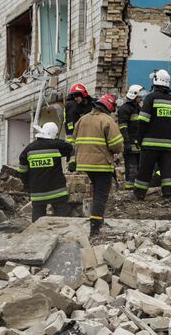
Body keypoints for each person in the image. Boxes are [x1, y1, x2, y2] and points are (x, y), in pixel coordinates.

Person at [72, 94, 123, 236]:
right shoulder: (107, 120)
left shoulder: (82, 119)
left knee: (96, 191)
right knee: (101, 194)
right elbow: (116, 145)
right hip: (101, 164)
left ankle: (96, 220)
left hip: (84, 163)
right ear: (108, 108)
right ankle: (95, 227)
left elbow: (74, 139)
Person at [134, 69, 171, 200]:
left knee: (145, 170)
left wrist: (139, 139)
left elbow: (142, 121)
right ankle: (168, 194)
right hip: (168, 145)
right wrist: (170, 136)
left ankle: (139, 195)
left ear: (155, 82)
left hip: (149, 144)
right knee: (166, 171)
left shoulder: (150, 98)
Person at [17, 122, 73, 222]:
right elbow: (70, 148)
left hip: (38, 193)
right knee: (62, 221)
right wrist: (71, 162)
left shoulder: (28, 149)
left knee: (38, 222)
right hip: (57, 191)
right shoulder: (57, 146)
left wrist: (27, 185)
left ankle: (37, 236)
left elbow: (22, 170)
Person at [117, 84, 144, 189]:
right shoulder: (125, 109)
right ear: (134, 96)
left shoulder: (138, 108)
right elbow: (123, 127)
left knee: (140, 167)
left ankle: (138, 188)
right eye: (139, 96)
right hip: (130, 143)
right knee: (131, 167)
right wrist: (127, 142)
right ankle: (129, 189)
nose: (141, 98)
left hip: (139, 144)